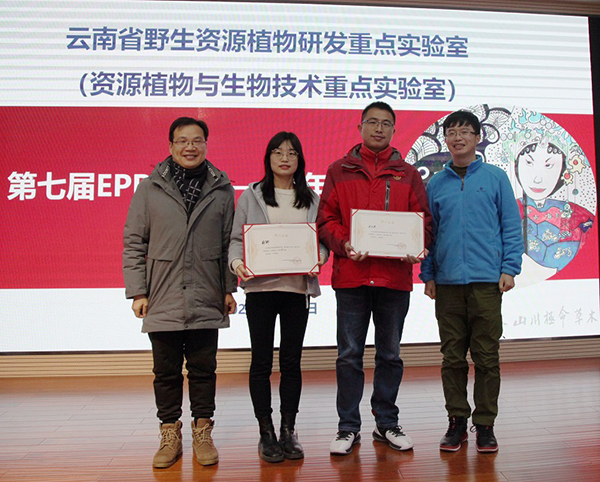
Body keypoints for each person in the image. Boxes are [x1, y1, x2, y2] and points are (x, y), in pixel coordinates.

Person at [317, 101, 433, 455]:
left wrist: (416, 245)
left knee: (390, 355)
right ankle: (347, 427)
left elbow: (424, 222)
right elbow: (326, 220)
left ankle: (386, 423)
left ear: (394, 130)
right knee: (349, 355)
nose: (379, 129)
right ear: (360, 127)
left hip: (393, 279)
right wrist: (345, 243)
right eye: (372, 122)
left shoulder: (408, 174)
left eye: (386, 123)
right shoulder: (339, 170)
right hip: (352, 277)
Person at [123, 117, 237, 468]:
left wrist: (228, 288)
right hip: (162, 294)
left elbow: (228, 242)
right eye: (183, 141)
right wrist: (138, 292)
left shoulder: (221, 188)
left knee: (204, 369)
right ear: (171, 146)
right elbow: (134, 242)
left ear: (206, 144)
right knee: (166, 371)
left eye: (197, 140)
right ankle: (169, 433)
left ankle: (203, 431)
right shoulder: (149, 188)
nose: (190, 147)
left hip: (207, 292)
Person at [419, 110, 524, 453]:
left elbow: (511, 226)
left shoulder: (495, 178)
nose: (458, 137)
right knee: (452, 357)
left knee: (486, 357)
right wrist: (428, 274)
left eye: (465, 131)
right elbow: (429, 234)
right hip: (448, 283)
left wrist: (509, 268)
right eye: (451, 132)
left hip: (487, 282)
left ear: (478, 138)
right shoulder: (436, 183)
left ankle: (486, 424)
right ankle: (456, 422)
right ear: (445, 139)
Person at [229, 132, 328, 463]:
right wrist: (237, 263)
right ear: (268, 158)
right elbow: (236, 239)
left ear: (300, 159)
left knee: (291, 362)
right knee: (261, 361)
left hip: (296, 290)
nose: (285, 158)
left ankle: (288, 430)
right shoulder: (252, 195)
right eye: (277, 152)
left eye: (292, 153)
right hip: (260, 290)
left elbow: (322, 241)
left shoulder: (311, 199)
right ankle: (266, 431)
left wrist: (319, 258)